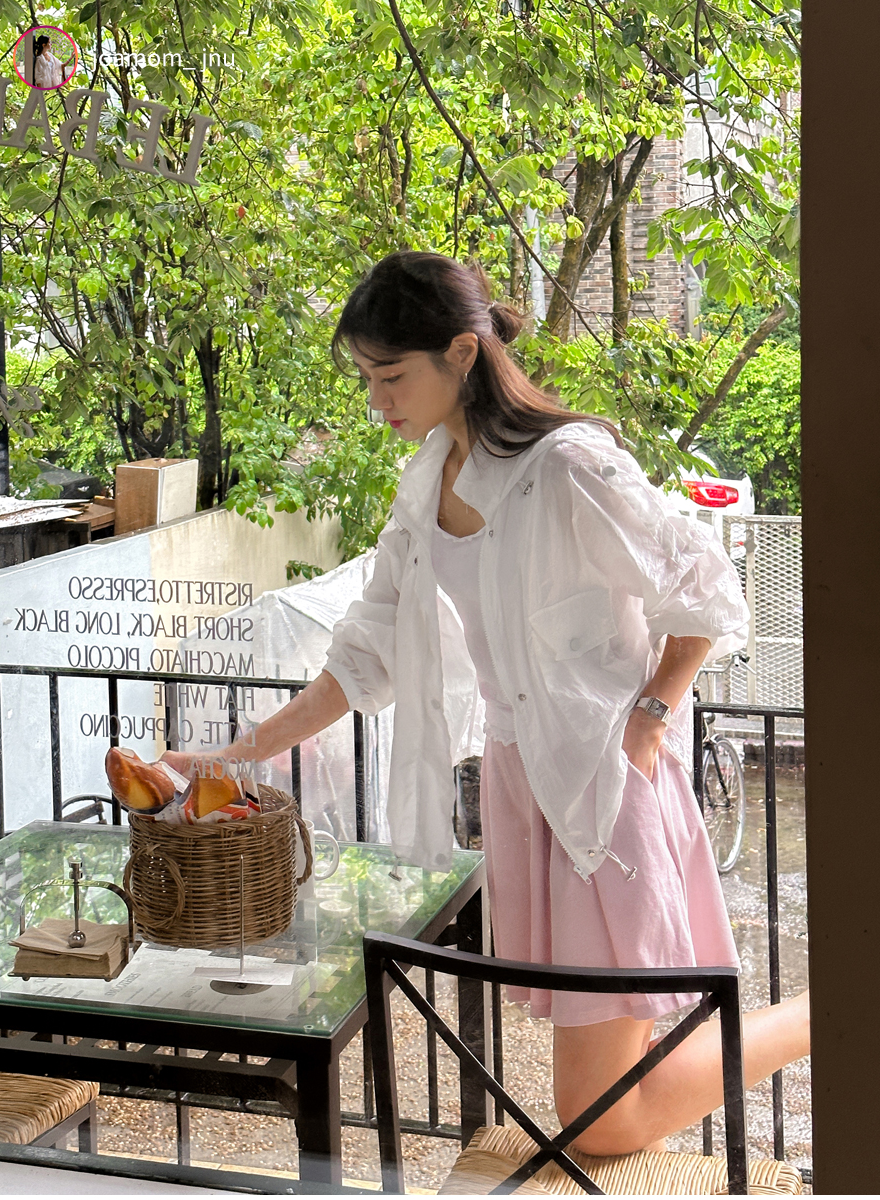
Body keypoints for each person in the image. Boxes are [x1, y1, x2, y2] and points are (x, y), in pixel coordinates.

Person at [164, 250, 810, 1154]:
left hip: (603, 788)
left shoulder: (568, 466)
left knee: (600, 1114)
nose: (377, 400)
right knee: (610, 1091)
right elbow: (361, 657)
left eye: (391, 375)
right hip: (523, 791)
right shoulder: (425, 484)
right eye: (367, 378)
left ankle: (834, 1011)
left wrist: (652, 717)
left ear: (462, 353)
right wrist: (238, 755)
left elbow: (706, 590)